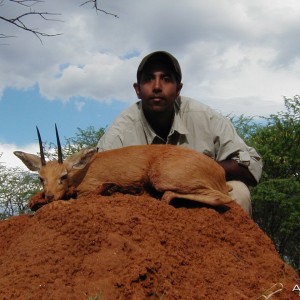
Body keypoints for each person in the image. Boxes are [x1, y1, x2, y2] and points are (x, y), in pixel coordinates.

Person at [97, 51, 262, 216]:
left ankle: (229, 241)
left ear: (178, 90)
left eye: (166, 79)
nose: (156, 86)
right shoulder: (121, 129)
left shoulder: (204, 117)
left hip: (199, 195)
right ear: (137, 90)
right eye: (148, 79)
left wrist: (193, 169)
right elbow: (96, 175)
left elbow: (251, 165)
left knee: (239, 192)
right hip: (143, 204)